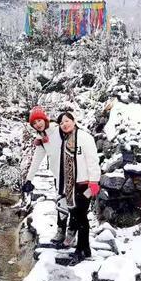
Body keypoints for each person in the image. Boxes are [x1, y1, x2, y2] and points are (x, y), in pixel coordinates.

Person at [55, 112, 100, 264]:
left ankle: (82, 249)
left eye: (67, 121)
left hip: (85, 184)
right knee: (77, 215)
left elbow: (93, 161)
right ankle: (84, 249)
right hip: (71, 187)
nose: (65, 124)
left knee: (81, 217)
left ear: (74, 121)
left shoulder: (85, 138)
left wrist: (94, 183)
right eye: (61, 123)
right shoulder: (66, 140)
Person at [22, 106, 69, 244]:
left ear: (44, 118)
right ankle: (61, 231)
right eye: (34, 123)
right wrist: (28, 180)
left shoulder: (59, 129)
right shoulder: (41, 139)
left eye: (39, 120)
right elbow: (36, 160)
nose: (38, 124)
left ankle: (73, 233)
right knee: (61, 202)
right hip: (58, 176)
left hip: (72, 173)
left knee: (74, 205)